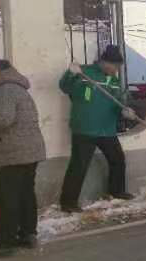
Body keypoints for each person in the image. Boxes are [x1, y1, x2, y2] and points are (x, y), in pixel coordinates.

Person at [0, 60, 46, 259]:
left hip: (12, 153)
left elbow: (2, 119)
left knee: (7, 198)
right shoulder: (19, 88)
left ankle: (6, 243)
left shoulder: (4, 90)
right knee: (25, 194)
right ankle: (28, 235)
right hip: (29, 151)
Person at [58, 45, 137, 213]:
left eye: (118, 67)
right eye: (114, 66)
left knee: (117, 159)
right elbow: (65, 87)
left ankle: (117, 191)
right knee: (79, 165)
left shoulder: (114, 81)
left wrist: (124, 110)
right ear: (104, 62)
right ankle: (68, 202)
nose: (116, 70)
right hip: (85, 128)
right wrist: (70, 73)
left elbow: (118, 102)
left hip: (107, 129)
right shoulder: (84, 73)